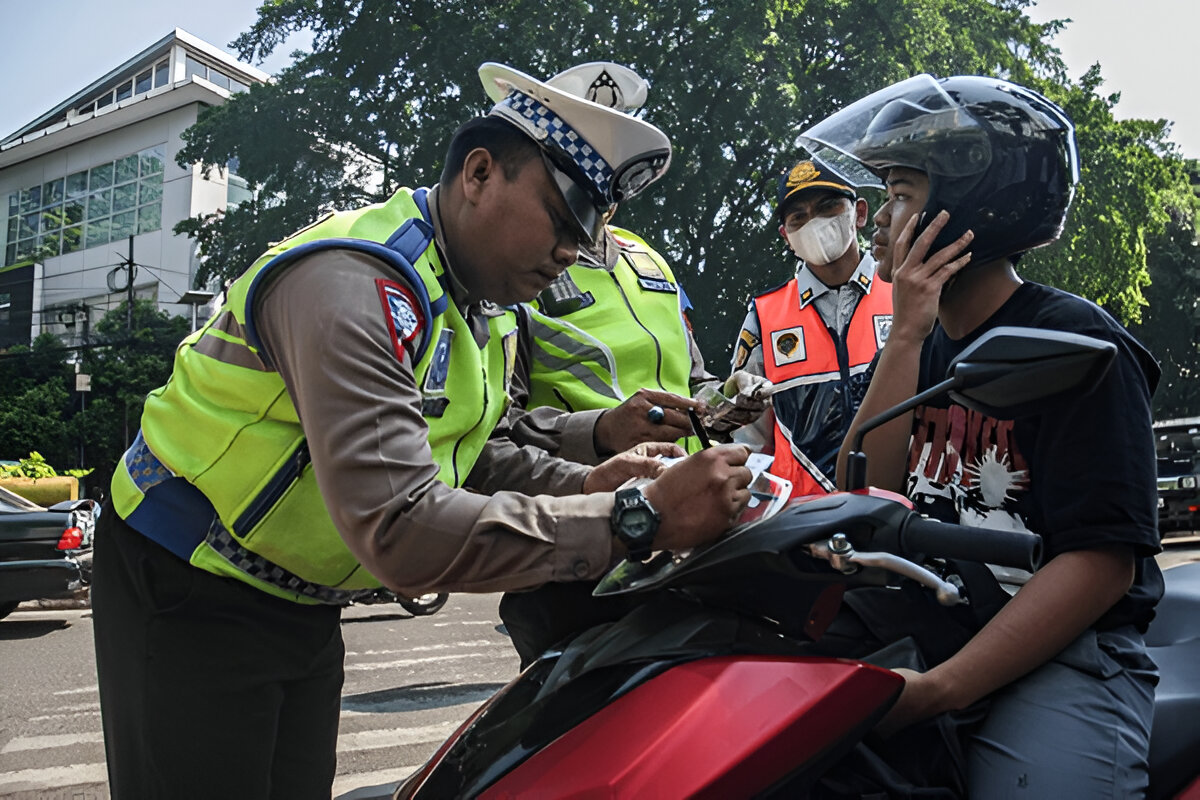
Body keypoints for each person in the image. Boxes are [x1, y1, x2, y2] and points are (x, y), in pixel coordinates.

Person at [90, 61, 753, 800]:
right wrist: (637, 518)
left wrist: (590, 480)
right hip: (186, 581)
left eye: (590, 229)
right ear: (478, 174)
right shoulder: (354, 284)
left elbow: (473, 449)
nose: (575, 251)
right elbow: (401, 525)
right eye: (564, 220)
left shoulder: (480, 304)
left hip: (299, 595)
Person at [805, 74, 1162, 796]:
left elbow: (1101, 563)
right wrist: (906, 333)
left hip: (1066, 652)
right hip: (936, 627)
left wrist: (940, 690)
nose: (876, 218)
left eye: (901, 193)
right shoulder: (919, 345)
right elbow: (858, 492)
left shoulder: (1076, 343)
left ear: (969, 208)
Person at [470, 62, 770, 667]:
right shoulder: (512, 260)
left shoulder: (650, 261)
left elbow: (692, 380)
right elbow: (487, 436)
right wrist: (602, 432)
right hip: (577, 551)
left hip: (689, 535)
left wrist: (726, 401)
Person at [729, 157, 892, 496]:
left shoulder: (904, 292)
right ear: (786, 235)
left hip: (898, 511)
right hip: (801, 524)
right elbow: (748, 442)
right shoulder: (764, 316)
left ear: (859, 213)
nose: (814, 223)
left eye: (828, 206)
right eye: (798, 217)